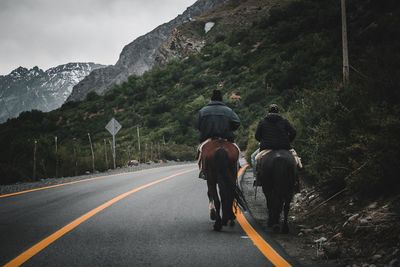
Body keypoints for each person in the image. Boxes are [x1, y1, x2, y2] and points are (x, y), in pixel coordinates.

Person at [196, 89, 240, 179]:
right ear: (221, 99)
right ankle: (236, 167)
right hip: (226, 138)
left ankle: (203, 171)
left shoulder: (203, 111)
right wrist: (230, 128)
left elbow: (198, 125)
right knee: (237, 151)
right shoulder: (228, 110)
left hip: (209, 138)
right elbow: (237, 122)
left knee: (200, 151)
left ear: (211, 99)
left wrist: (205, 129)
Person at [254, 104, 302, 188]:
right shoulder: (284, 121)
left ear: (268, 112)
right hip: (284, 147)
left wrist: (263, 141)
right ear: (278, 112)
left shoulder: (262, 121)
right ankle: (296, 181)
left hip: (267, 148)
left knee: (256, 159)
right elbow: (293, 132)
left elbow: (257, 136)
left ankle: (259, 179)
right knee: (297, 160)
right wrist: (288, 141)